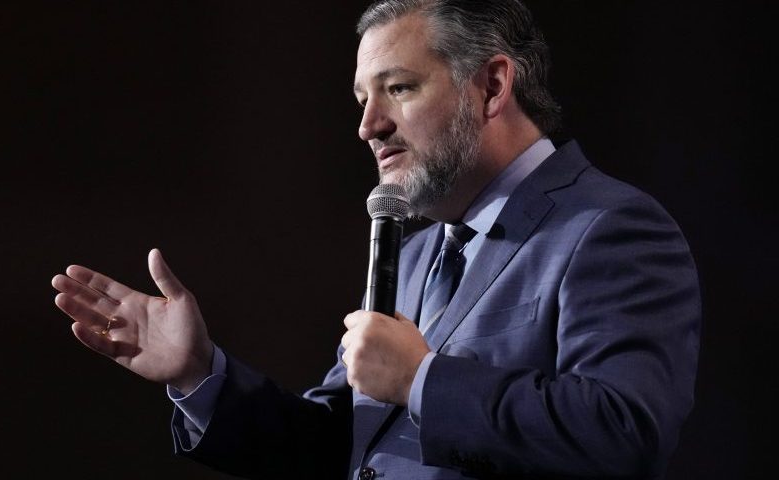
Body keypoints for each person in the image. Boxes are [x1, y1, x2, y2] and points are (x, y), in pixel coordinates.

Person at [51, 1, 701, 479]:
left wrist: (421, 379)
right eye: (363, 98)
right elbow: (343, 444)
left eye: (398, 88)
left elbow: (625, 429)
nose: (368, 126)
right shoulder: (415, 255)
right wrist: (200, 374)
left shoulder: (609, 229)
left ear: (493, 86)